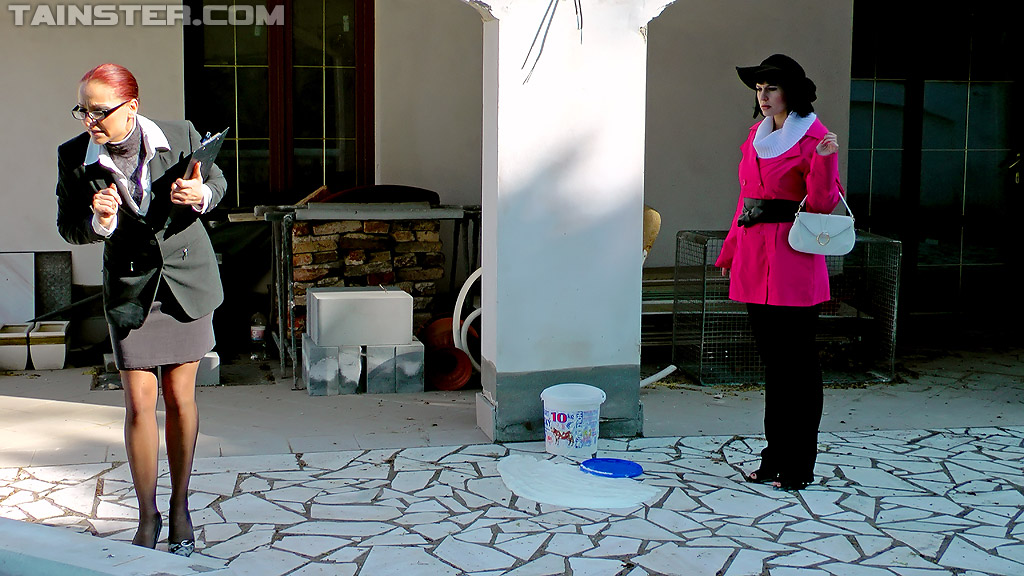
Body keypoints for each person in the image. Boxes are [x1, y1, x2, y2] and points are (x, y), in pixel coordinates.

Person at [56, 63, 226, 555]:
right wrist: (99, 221)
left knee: (180, 398)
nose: (90, 120)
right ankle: (147, 515)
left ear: (131, 106)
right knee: (138, 403)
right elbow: (68, 226)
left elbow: (217, 185)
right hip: (131, 289)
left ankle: (180, 508)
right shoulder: (74, 156)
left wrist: (201, 195)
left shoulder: (181, 135)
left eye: (99, 111)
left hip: (185, 282)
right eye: (83, 110)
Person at [715, 54, 842, 491]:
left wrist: (825, 161)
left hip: (794, 261)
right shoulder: (756, 135)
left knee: (798, 366)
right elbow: (745, 199)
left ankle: (799, 465)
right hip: (754, 258)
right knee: (775, 365)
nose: (763, 96)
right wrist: (731, 251)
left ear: (792, 91)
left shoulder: (816, 137)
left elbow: (823, 204)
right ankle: (774, 458)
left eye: (772, 88)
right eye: (759, 89)